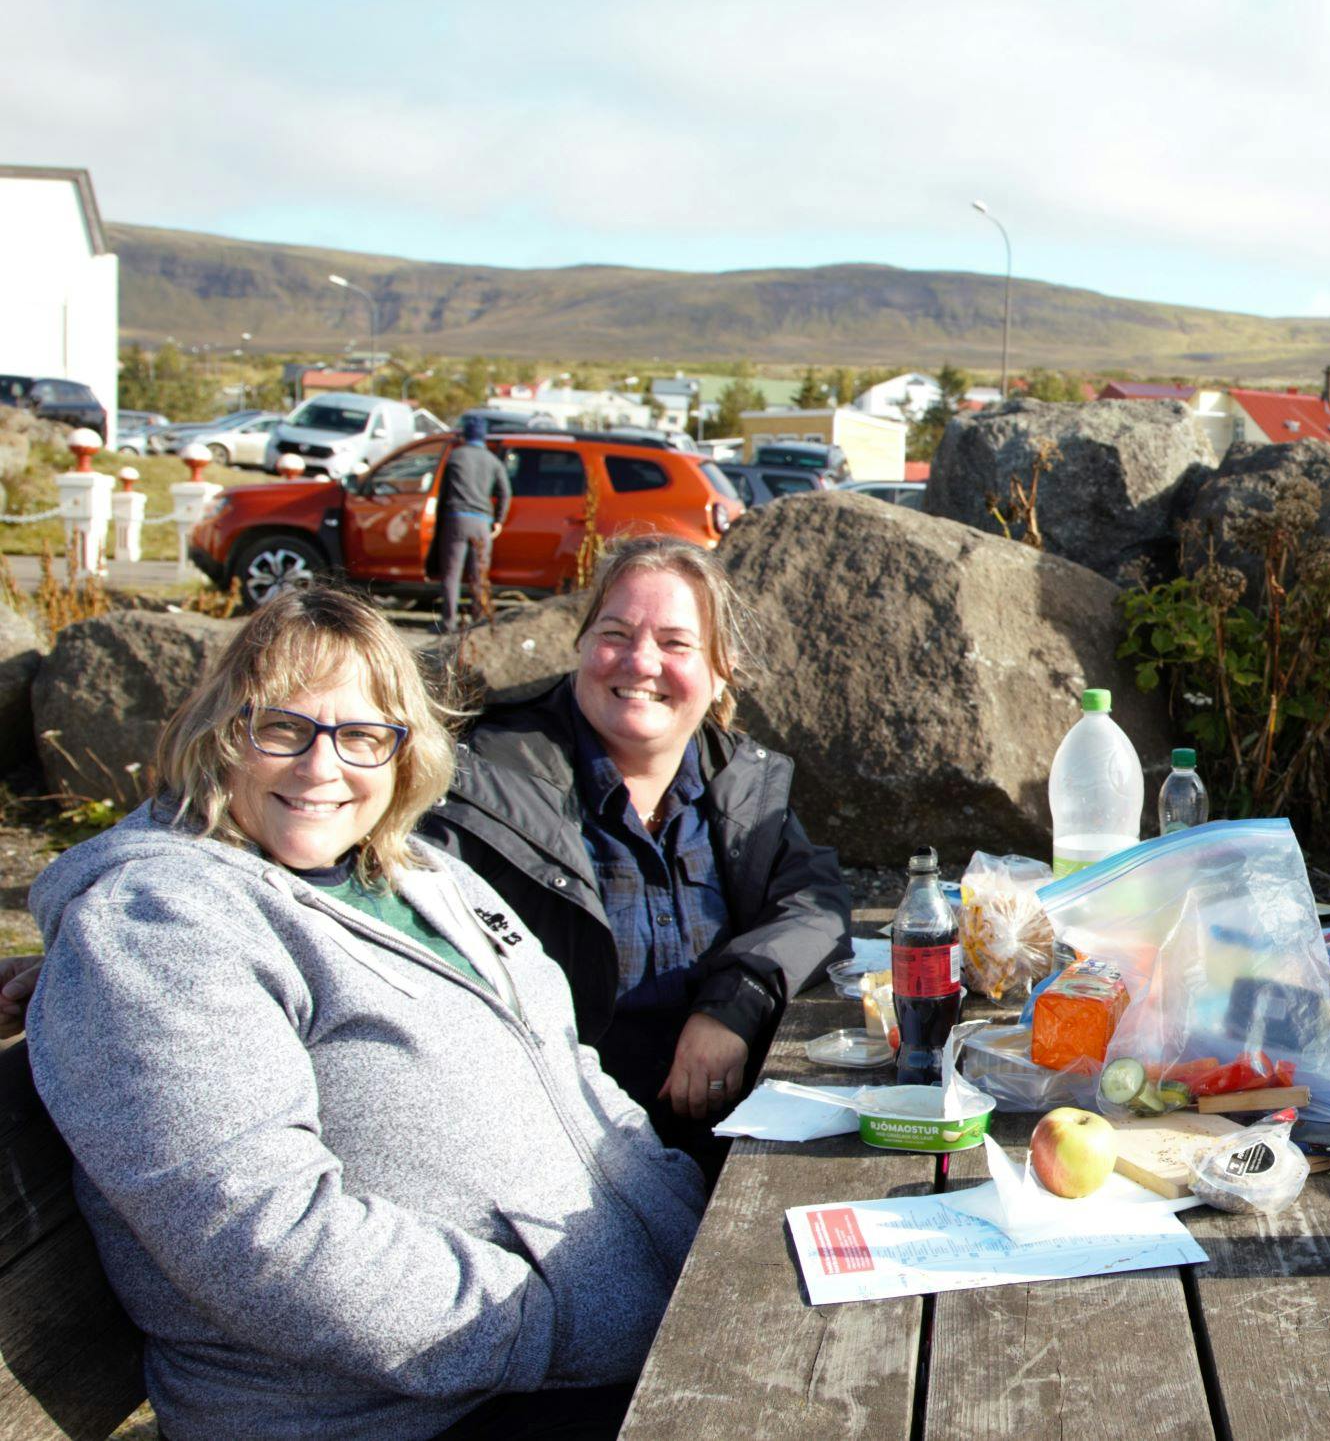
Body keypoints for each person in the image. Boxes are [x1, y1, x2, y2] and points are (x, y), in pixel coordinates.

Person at [26, 584, 702, 1441]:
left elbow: (569, 1064)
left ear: (401, 752)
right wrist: (549, 1323)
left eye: (360, 735)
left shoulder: (423, 874)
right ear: (224, 735)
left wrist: (679, 1217)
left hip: (595, 1337)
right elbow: (263, 1234)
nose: (320, 767)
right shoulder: (162, 922)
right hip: (407, 1408)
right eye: (283, 728)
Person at [422, 535, 850, 1162]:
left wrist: (734, 1006)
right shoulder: (488, 782)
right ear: (582, 646)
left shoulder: (740, 782)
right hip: (556, 1154)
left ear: (718, 670)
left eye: (675, 643)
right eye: (615, 633)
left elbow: (816, 903)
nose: (640, 661)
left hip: (725, 1141)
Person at [434, 414, 511, 635]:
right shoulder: (493, 461)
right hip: (482, 524)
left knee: (451, 575)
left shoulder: (455, 456)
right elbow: (505, 492)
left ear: (465, 435)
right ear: (484, 437)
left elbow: (442, 492)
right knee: (479, 576)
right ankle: (478, 624)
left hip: (456, 519)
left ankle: (448, 623)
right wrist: (498, 520)